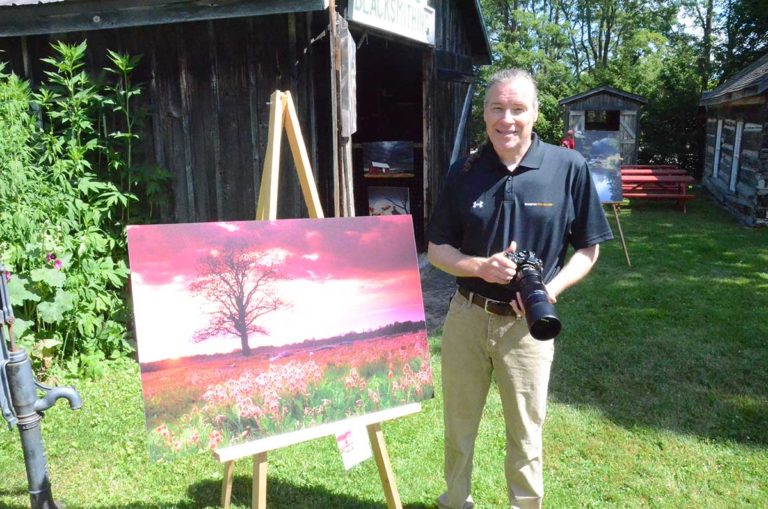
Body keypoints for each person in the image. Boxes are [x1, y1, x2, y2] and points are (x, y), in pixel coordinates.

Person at [426, 68, 614, 509]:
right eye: (497, 108)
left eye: (517, 109)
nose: (506, 119)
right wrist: (477, 266)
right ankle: (455, 501)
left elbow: (588, 249)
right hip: (467, 317)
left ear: (535, 113)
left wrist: (551, 288)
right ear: (485, 114)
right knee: (458, 426)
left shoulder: (568, 168)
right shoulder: (464, 172)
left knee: (527, 432)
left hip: (528, 326)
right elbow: (436, 249)